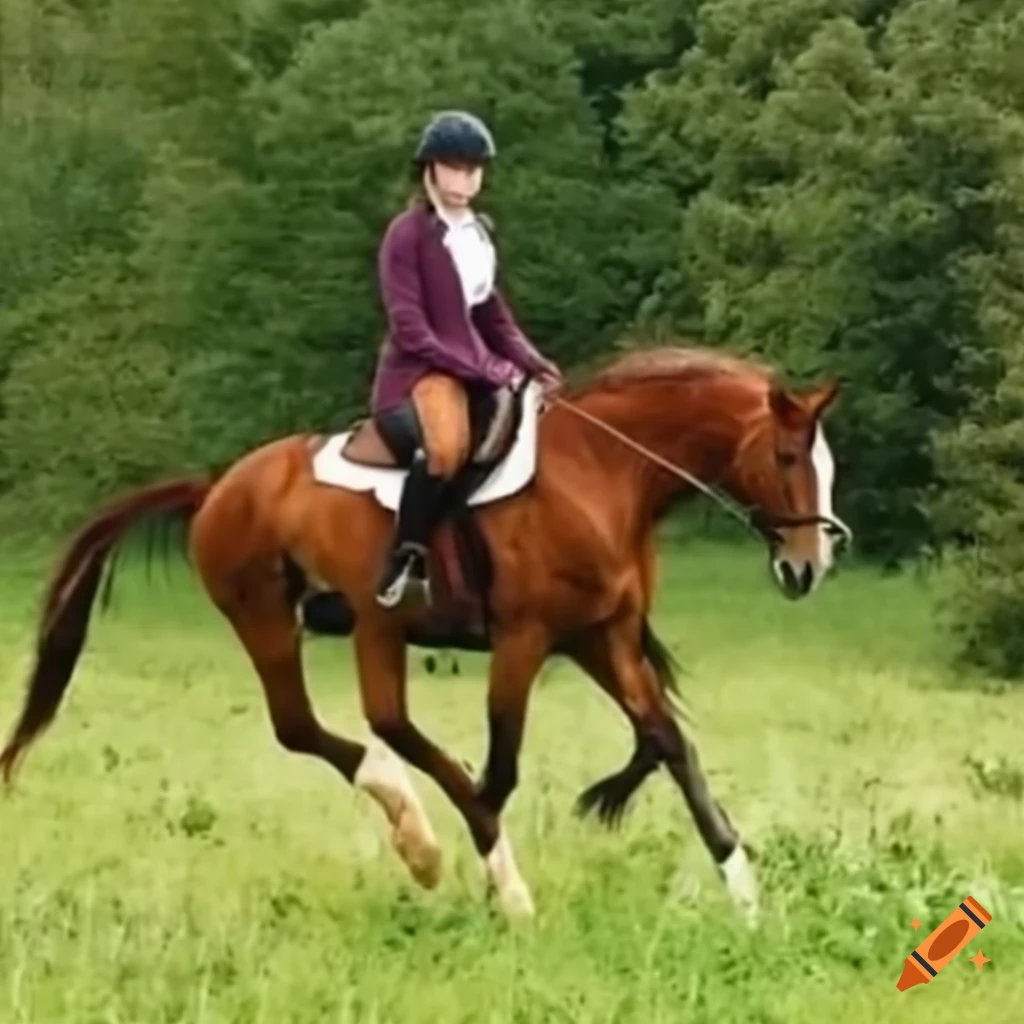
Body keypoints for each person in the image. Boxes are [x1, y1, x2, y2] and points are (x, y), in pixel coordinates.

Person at [369, 109, 562, 609]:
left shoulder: (478, 232)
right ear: (429, 170)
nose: (466, 178)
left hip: (472, 370)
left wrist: (533, 362)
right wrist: (482, 369)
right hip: (418, 375)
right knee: (448, 448)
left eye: (474, 169)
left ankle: (479, 557)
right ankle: (406, 557)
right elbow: (409, 328)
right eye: (454, 167)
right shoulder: (406, 234)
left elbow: (491, 313)